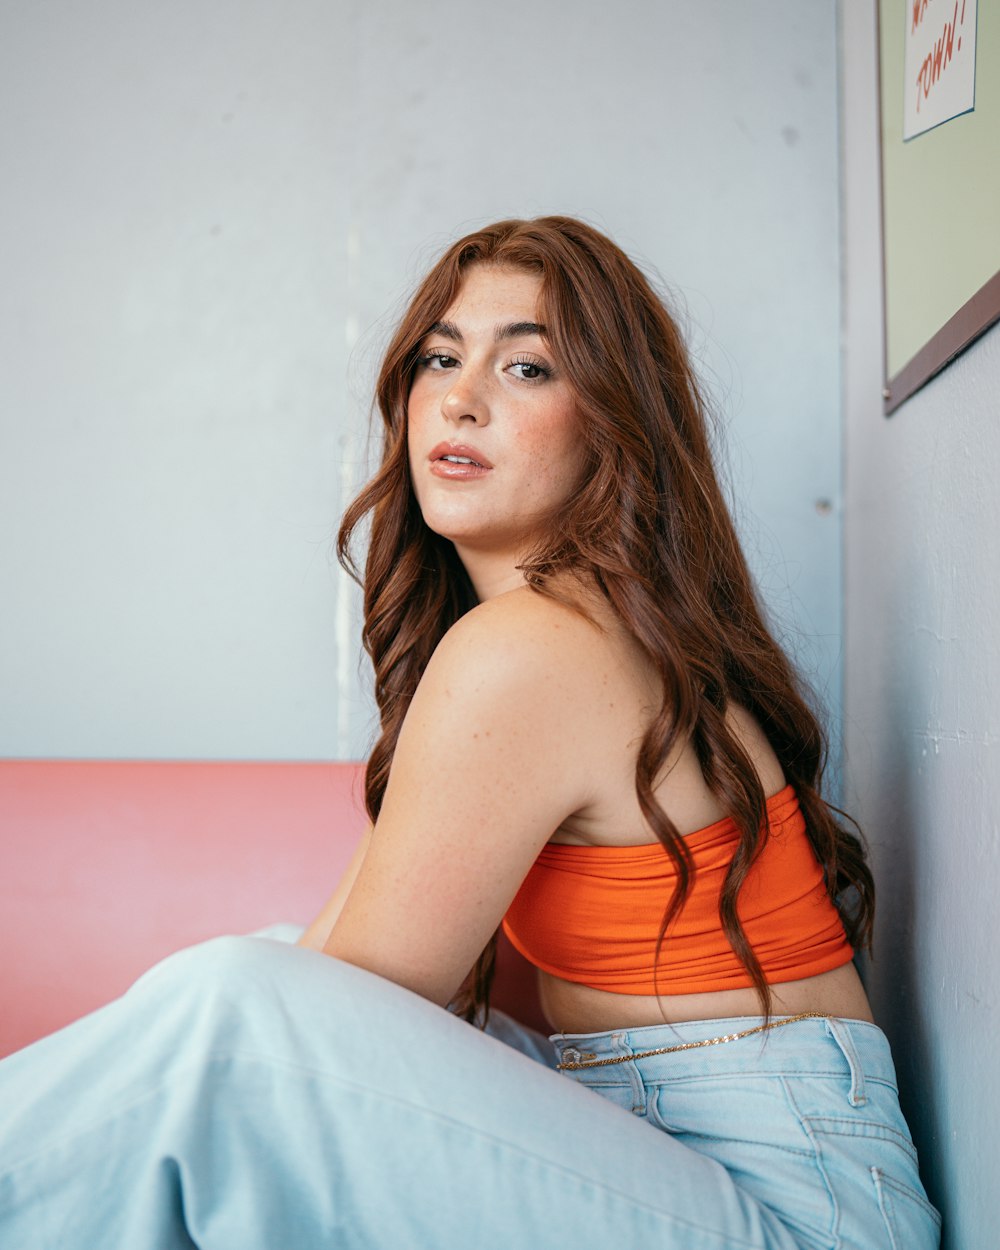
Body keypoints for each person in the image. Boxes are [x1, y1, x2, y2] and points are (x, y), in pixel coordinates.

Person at [0, 217, 940, 1249]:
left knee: (237, 1010)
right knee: (250, 979)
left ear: (616, 421)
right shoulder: (565, 630)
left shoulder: (537, 647)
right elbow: (318, 982)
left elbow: (326, 1021)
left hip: (795, 1211)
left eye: (527, 365)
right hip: (680, 1148)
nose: (459, 396)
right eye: (440, 357)